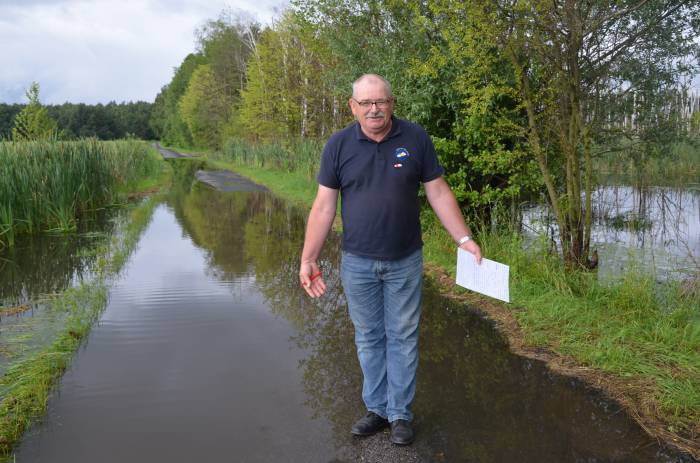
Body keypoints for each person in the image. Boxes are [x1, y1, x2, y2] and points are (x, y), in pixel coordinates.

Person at [299, 74, 481, 445]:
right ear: (353, 107)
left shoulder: (416, 138)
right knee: (368, 338)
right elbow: (323, 207)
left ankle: (400, 414)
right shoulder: (338, 146)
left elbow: (438, 192)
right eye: (365, 103)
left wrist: (463, 238)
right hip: (358, 262)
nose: (373, 109)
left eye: (380, 101)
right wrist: (308, 258)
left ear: (392, 103)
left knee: (402, 336)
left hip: (405, 260)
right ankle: (377, 409)